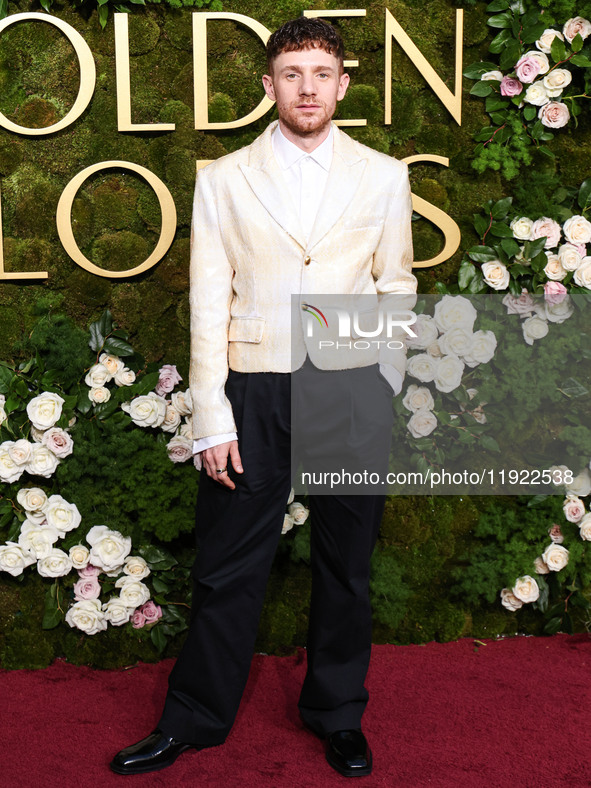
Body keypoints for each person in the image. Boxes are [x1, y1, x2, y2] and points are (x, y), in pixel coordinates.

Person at [111, 16, 416, 778]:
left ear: (342, 85)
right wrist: (212, 414)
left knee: (346, 565)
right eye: (291, 74)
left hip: (348, 387)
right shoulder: (223, 178)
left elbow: (396, 282)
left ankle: (337, 714)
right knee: (227, 566)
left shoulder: (384, 175)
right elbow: (209, 302)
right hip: (252, 390)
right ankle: (194, 719)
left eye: (320, 74)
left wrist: (382, 377)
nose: (306, 88)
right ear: (268, 85)